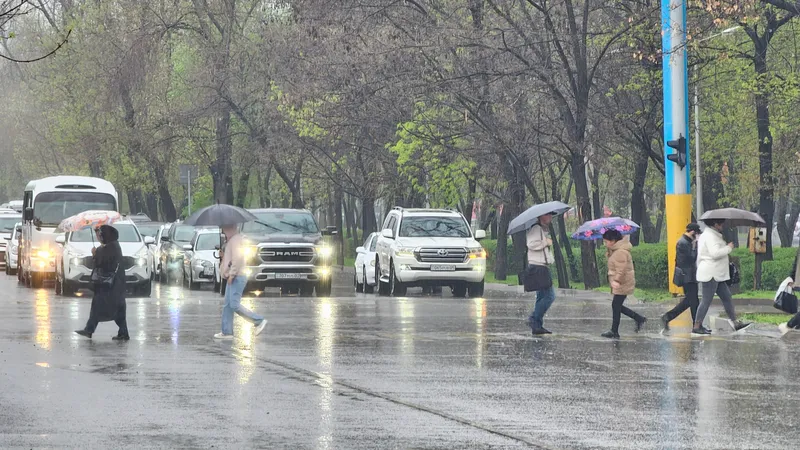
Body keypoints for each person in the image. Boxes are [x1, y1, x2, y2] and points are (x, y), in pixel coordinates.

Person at [692, 219, 750, 335]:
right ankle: (697, 326)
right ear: (715, 224)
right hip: (711, 274)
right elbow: (715, 253)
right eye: (721, 223)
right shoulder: (710, 236)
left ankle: (735, 323)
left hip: (716, 274)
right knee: (706, 301)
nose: (723, 225)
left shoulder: (711, 235)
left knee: (727, 297)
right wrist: (728, 248)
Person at [75, 225, 129, 340]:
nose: (99, 236)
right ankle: (123, 332)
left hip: (109, 285)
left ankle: (90, 329)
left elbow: (101, 263)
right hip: (114, 285)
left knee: (100, 306)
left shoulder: (109, 248)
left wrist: (95, 254)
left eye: (101, 234)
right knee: (117, 309)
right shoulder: (113, 245)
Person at [216, 225, 267, 339]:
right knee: (228, 305)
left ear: (230, 229)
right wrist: (223, 256)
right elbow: (231, 259)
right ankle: (226, 331)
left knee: (234, 305)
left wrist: (232, 274)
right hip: (233, 276)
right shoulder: (232, 241)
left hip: (237, 277)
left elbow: (238, 259)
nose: (223, 231)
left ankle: (258, 320)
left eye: (225, 229)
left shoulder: (236, 240)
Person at [601, 229, 646, 338]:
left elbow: (621, 269)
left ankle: (614, 331)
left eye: (606, 241)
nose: (605, 244)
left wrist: (616, 280)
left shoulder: (620, 252)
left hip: (622, 282)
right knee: (617, 305)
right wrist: (610, 252)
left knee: (616, 305)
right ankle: (638, 318)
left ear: (613, 241)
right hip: (622, 281)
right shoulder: (616, 250)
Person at [661, 223, 705, 332]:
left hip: (690, 276)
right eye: (697, 234)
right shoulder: (683, 243)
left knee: (690, 301)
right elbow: (691, 258)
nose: (697, 236)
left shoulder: (686, 242)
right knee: (693, 302)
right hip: (687, 277)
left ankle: (668, 317)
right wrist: (695, 246)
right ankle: (696, 326)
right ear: (692, 232)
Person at [526, 213, 557, 335]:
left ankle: (537, 325)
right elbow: (531, 244)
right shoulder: (536, 228)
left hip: (541, 266)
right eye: (548, 215)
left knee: (541, 296)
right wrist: (546, 242)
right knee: (550, 296)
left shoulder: (541, 229)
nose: (550, 217)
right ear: (541, 216)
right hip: (538, 266)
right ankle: (534, 319)